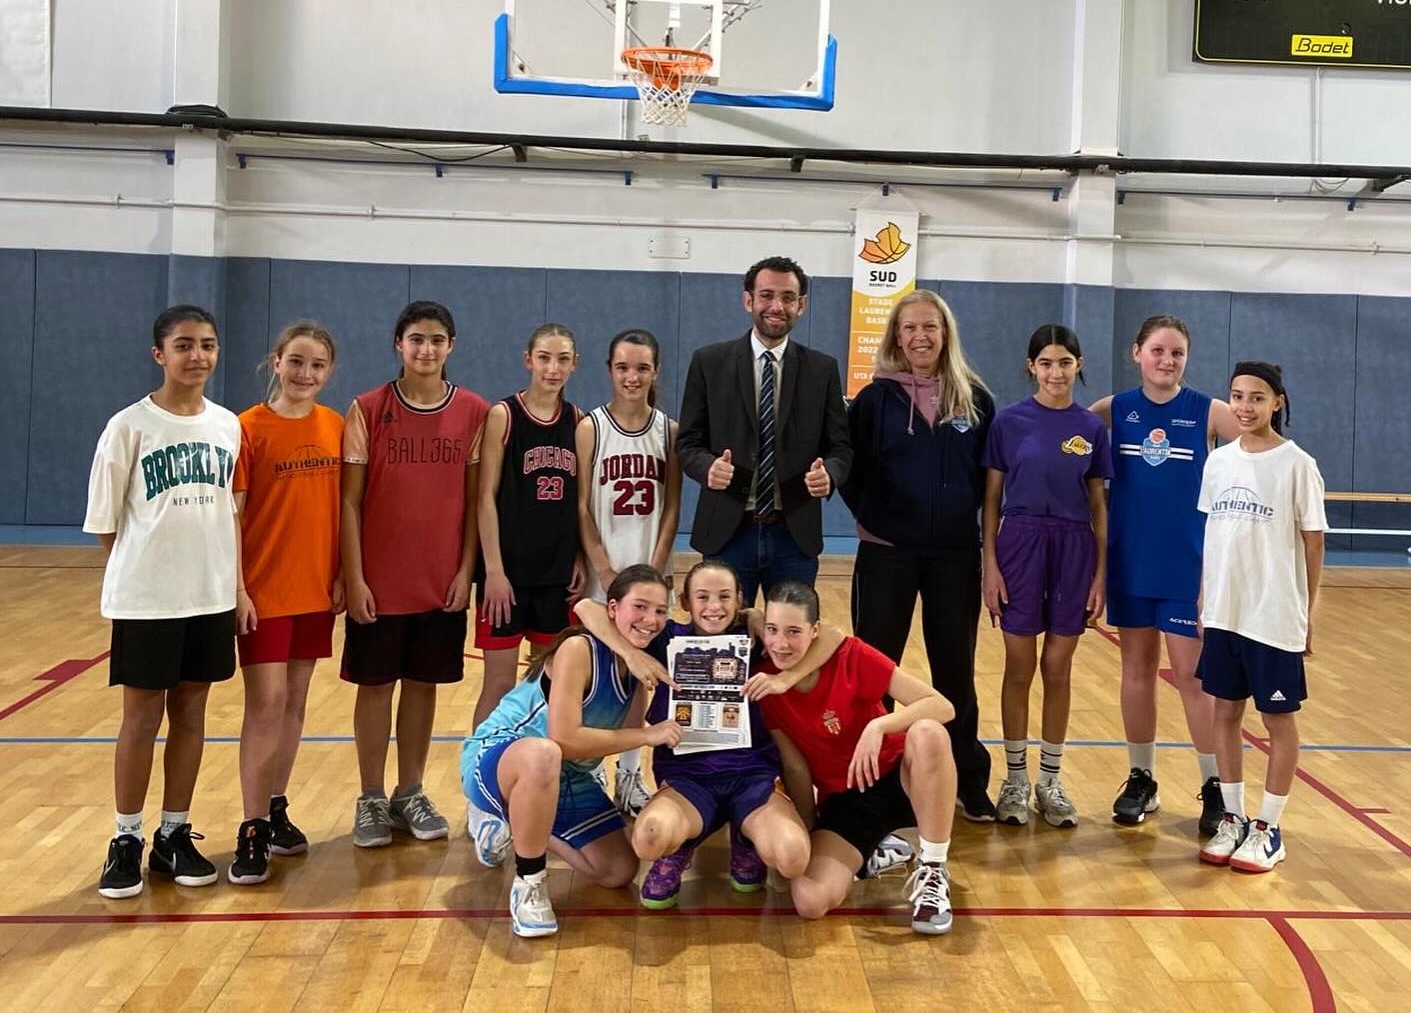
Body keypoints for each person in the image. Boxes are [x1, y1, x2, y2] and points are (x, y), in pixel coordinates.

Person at [573, 559, 838, 909]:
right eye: (703, 597)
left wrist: (760, 627)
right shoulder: (667, 639)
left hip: (752, 777)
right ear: (685, 603)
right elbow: (585, 608)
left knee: (792, 857)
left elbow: (832, 636)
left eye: (725, 597)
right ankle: (681, 846)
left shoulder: (757, 639)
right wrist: (630, 654)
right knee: (649, 839)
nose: (714, 606)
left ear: (739, 599)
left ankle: (746, 837)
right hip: (688, 779)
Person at [85, 305, 240, 898]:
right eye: (184, 345)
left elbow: (230, 511)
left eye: (207, 344)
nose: (197, 356)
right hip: (148, 600)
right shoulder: (128, 426)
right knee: (142, 717)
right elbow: (106, 526)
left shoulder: (228, 426)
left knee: (192, 714)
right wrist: (146, 573)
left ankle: (173, 835)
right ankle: (125, 838)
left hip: (209, 595)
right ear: (160, 354)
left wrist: (227, 583)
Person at [842, 289, 998, 822]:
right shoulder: (873, 400)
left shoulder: (975, 399)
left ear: (945, 333)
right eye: (909, 328)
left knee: (955, 669)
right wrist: (873, 517)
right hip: (886, 553)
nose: (920, 337)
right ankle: (877, 783)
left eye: (930, 326)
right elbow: (850, 468)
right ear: (896, 336)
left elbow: (988, 479)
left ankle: (967, 779)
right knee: (875, 669)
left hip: (954, 555)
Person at [461, 566, 680, 937]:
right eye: (640, 607)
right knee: (545, 753)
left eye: (660, 611)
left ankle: (514, 821)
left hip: (568, 773)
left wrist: (753, 618)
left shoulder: (641, 660)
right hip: (500, 757)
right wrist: (647, 736)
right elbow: (565, 739)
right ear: (613, 609)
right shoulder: (580, 648)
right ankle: (529, 881)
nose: (651, 619)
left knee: (618, 870)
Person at [341, 301, 489, 848]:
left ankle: (410, 790)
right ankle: (371, 796)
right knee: (375, 687)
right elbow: (349, 502)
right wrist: (354, 577)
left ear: (451, 346)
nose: (426, 350)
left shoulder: (473, 411)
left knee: (423, 686)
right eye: (416, 339)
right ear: (398, 344)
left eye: (436, 340)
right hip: (379, 582)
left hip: (440, 580)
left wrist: (466, 570)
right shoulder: (367, 408)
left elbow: (474, 503)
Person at [1090, 315, 1241, 834]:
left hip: (1186, 570)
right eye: (1157, 350)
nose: (1167, 360)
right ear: (1137, 353)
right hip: (1130, 562)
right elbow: (1064, 439)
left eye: (1177, 352)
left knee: (1191, 680)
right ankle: (1142, 778)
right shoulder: (1113, 410)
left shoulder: (1208, 412)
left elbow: (1262, 446)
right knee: (1136, 671)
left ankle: (1215, 785)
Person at [756, 581, 959, 935]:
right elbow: (795, 769)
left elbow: (942, 707)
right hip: (848, 803)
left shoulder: (850, 655)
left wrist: (881, 725)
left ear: (815, 631)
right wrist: (809, 835)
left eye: (793, 631)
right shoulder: (766, 684)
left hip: (903, 780)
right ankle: (875, 853)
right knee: (809, 900)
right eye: (772, 630)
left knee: (929, 733)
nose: (781, 643)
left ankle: (933, 869)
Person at [1196, 362, 1325, 874]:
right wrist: (1205, 597)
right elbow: (1213, 536)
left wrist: (1307, 611)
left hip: (1272, 614)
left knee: (1277, 720)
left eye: (1256, 397)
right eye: (1237, 396)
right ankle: (1233, 818)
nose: (1245, 406)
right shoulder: (1218, 462)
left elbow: (1313, 543)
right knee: (1224, 712)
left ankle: (1269, 827)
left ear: (1278, 402)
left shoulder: (1297, 465)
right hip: (1225, 611)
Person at [982, 324, 1112, 829]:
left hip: (1074, 547)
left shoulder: (1091, 428)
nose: (1056, 372)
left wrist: (1099, 573)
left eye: (1065, 362)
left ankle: (1050, 781)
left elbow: (1098, 505)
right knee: (1019, 666)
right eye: (1046, 363)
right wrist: (990, 566)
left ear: (1079, 365)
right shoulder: (1009, 422)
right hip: (1020, 543)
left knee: (1058, 666)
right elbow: (991, 499)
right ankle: (1014, 779)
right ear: (1031, 367)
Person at [228, 321, 344, 884]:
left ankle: (276, 806)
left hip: (315, 589)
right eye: (296, 361)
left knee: (295, 700)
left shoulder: (336, 426)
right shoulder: (247, 428)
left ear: (329, 371)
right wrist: (238, 588)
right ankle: (250, 827)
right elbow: (233, 516)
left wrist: (343, 574)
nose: (305, 373)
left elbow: (343, 509)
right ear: (276, 361)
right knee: (266, 703)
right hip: (264, 592)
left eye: (317, 365)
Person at [676, 256, 852, 607]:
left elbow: (841, 448)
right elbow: (688, 443)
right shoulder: (709, 362)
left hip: (794, 534)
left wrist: (830, 474)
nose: (776, 306)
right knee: (724, 635)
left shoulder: (822, 370)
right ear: (748, 300)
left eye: (787, 297)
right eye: (767, 295)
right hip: (727, 531)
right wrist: (707, 467)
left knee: (790, 635)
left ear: (801, 305)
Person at [575, 328, 681, 816]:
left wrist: (655, 572)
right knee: (599, 673)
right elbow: (581, 506)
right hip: (605, 573)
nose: (632, 377)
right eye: (622, 367)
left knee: (642, 678)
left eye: (641, 368)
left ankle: (631, 774)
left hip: (649, 569)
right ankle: (592, 769)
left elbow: (672, 506)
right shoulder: (591, 428)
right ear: (609, 371)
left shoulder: (669, 431)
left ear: (655, 371)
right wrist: (603, 569)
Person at [473, 323, 585, 731]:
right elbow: (485, 498)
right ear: (528, 360)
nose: (553, 368)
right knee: (500, 684)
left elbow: (581, 501)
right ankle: (480, 767)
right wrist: (493, 571)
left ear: (575, 364)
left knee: (547, 684)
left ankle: (539, 763)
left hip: (556, 574)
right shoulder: (504, 416)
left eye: (562, 359)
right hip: (508, 575)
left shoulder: (578, 420)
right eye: (544, 358)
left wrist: (579, 556)